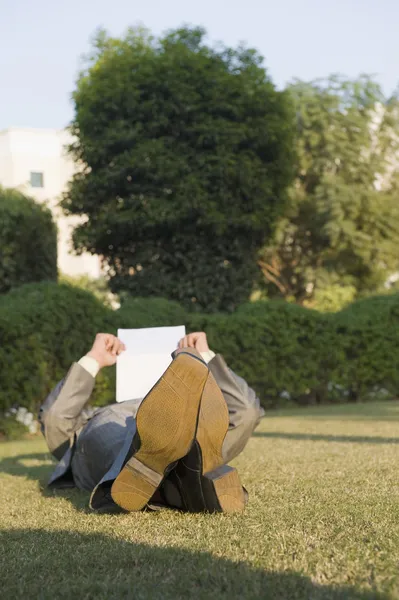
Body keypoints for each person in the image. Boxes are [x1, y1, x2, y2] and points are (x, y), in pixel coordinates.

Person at [38, 331, 264, 513]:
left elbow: (246, 413)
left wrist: (206, 356)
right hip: (123, 424)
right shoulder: (105, 418)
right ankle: (184, 478)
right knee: (140, 427)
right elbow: (55, 420)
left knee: (240, 415)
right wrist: (94, 358)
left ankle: (169, 476)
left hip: (186, 425)